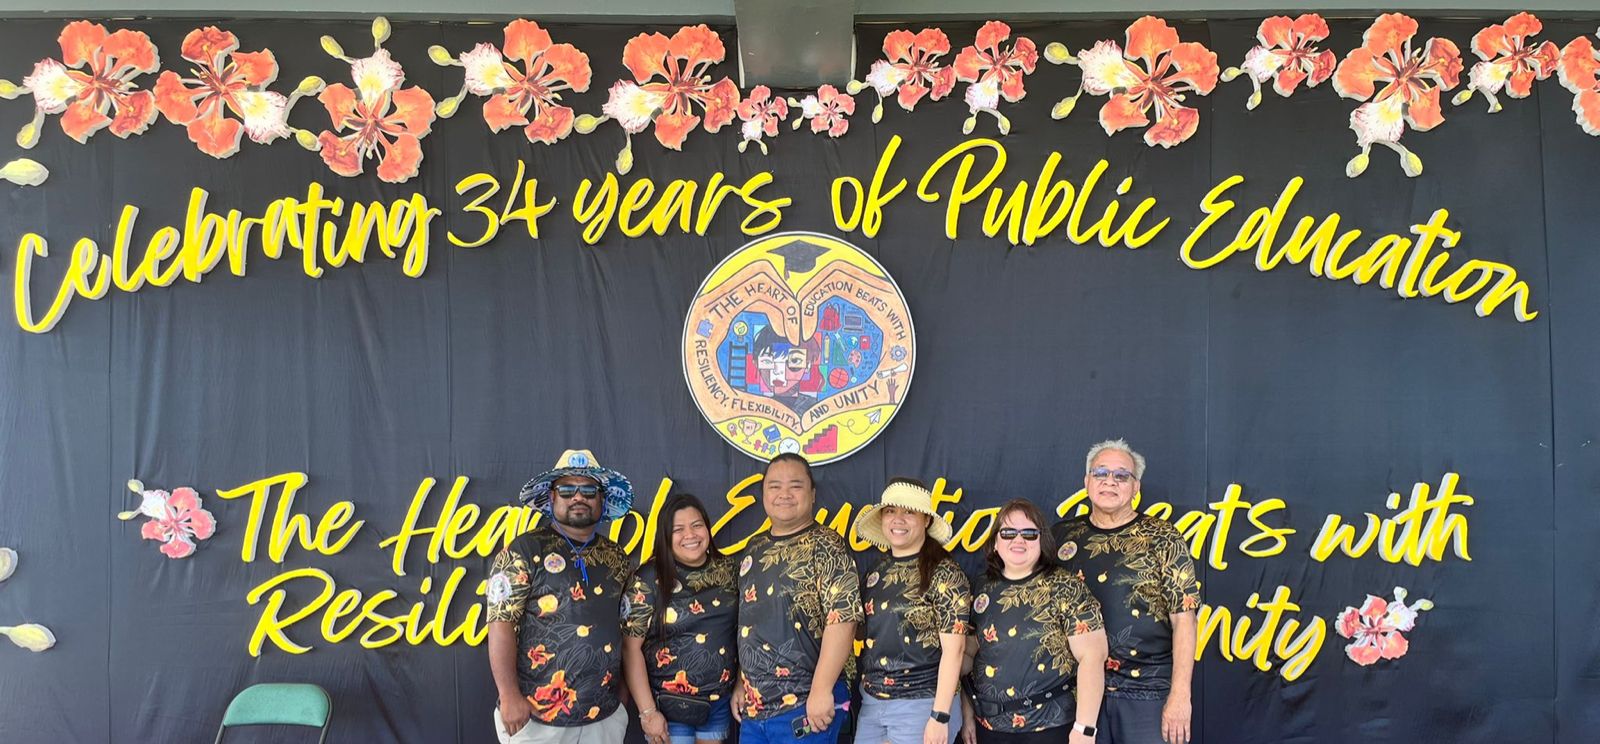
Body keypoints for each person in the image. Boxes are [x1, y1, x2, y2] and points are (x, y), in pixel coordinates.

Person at [1052, 440, 1201, 744]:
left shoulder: (1163, 537)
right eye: (1100, 473)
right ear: (1086, 481)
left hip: (1147, 692)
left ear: (1136, 487)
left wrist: (1180, 695)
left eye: (1121, 476)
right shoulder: (1061, 537)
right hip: (1076, 694)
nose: (1110, 481)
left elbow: (1184, 621)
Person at [486, 450, 637, 744]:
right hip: (536, 717)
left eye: (589, 490)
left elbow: (627, 628)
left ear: (602, 498)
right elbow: (500, 623)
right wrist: (509, 695)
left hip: (603, 716)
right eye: (567, 490)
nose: (578, 497)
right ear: (552, 497)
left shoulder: (617, 557)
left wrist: (622, 695)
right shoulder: (524, 550)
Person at [732, 453, 862, 744]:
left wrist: (821, 690)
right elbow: (750, 624)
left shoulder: (827, 545)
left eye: (795, 485)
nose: (784, 494)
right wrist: (742, 682)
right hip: (755, 711)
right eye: (774, 486)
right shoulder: (754, 548)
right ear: (764, 494)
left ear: (812, 494)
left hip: (805, 705)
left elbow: (844, 620)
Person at [961, 499, 1107, 744]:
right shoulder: (980, 587)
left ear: (1042, 541)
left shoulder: (1066, 586)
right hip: (989, 729)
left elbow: (1092, 656)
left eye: (1029, 534)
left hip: (1051, 728)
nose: (1018, 540)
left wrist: (1085, 728)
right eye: (1008, 533)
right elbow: (966, 657)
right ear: (995, 542)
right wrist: (967, 715)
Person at [854, 478, 972, 744]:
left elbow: (954, 651)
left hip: (922, 702)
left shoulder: (944, 573)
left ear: (926, 520)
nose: (898, 519)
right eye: (890, 511)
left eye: (909, 512)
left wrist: (940, 716)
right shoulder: (876, 571)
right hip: (872, 701)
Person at [623, 494, 740, 744]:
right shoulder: (648, 578)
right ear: (665, 535)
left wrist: (741, 683)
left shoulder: (729, 571)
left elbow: (746, 633)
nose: (690, 535)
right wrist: (647, 712)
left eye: (697, 525)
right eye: (678, 529)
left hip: (718, 702)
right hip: (667, 706)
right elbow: (630, 648)